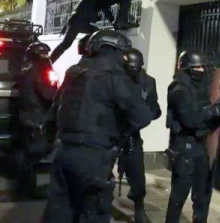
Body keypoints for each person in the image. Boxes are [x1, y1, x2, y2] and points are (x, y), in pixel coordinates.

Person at [42, 30, 153, 223]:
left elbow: (52, 115)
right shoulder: (115, 77)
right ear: (120, 52)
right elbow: (142, 116)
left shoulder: (74, 72)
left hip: (63, 153)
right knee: (94, 213)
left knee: (59, 211)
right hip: (93, 157)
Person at [165, 51, 220, 223]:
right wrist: (210, 112)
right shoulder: (178, 89)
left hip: (199, 145)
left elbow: (205, 118)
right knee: (179, 195)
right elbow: (190, 119)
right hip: (183, 147)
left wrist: (215, 114)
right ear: (187, 68)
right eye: (196, 67)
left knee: (202, 194)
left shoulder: (201, 89)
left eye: (202, 67)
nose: (200, 70)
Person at [117, 48, 161, 223]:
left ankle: (139, 207)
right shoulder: (117, 79)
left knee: (137, 175)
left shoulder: (147, 82)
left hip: (132, 134)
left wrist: (144, 117)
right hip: (114, 131)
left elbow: (154, 107)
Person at [13, 42, 58, 199]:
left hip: (27, 117)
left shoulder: (28, 70)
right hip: (36, 118)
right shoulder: (41, 71)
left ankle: (24, 189)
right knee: (32, 157)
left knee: (26, 156)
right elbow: (49, 95)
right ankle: (28, 191)